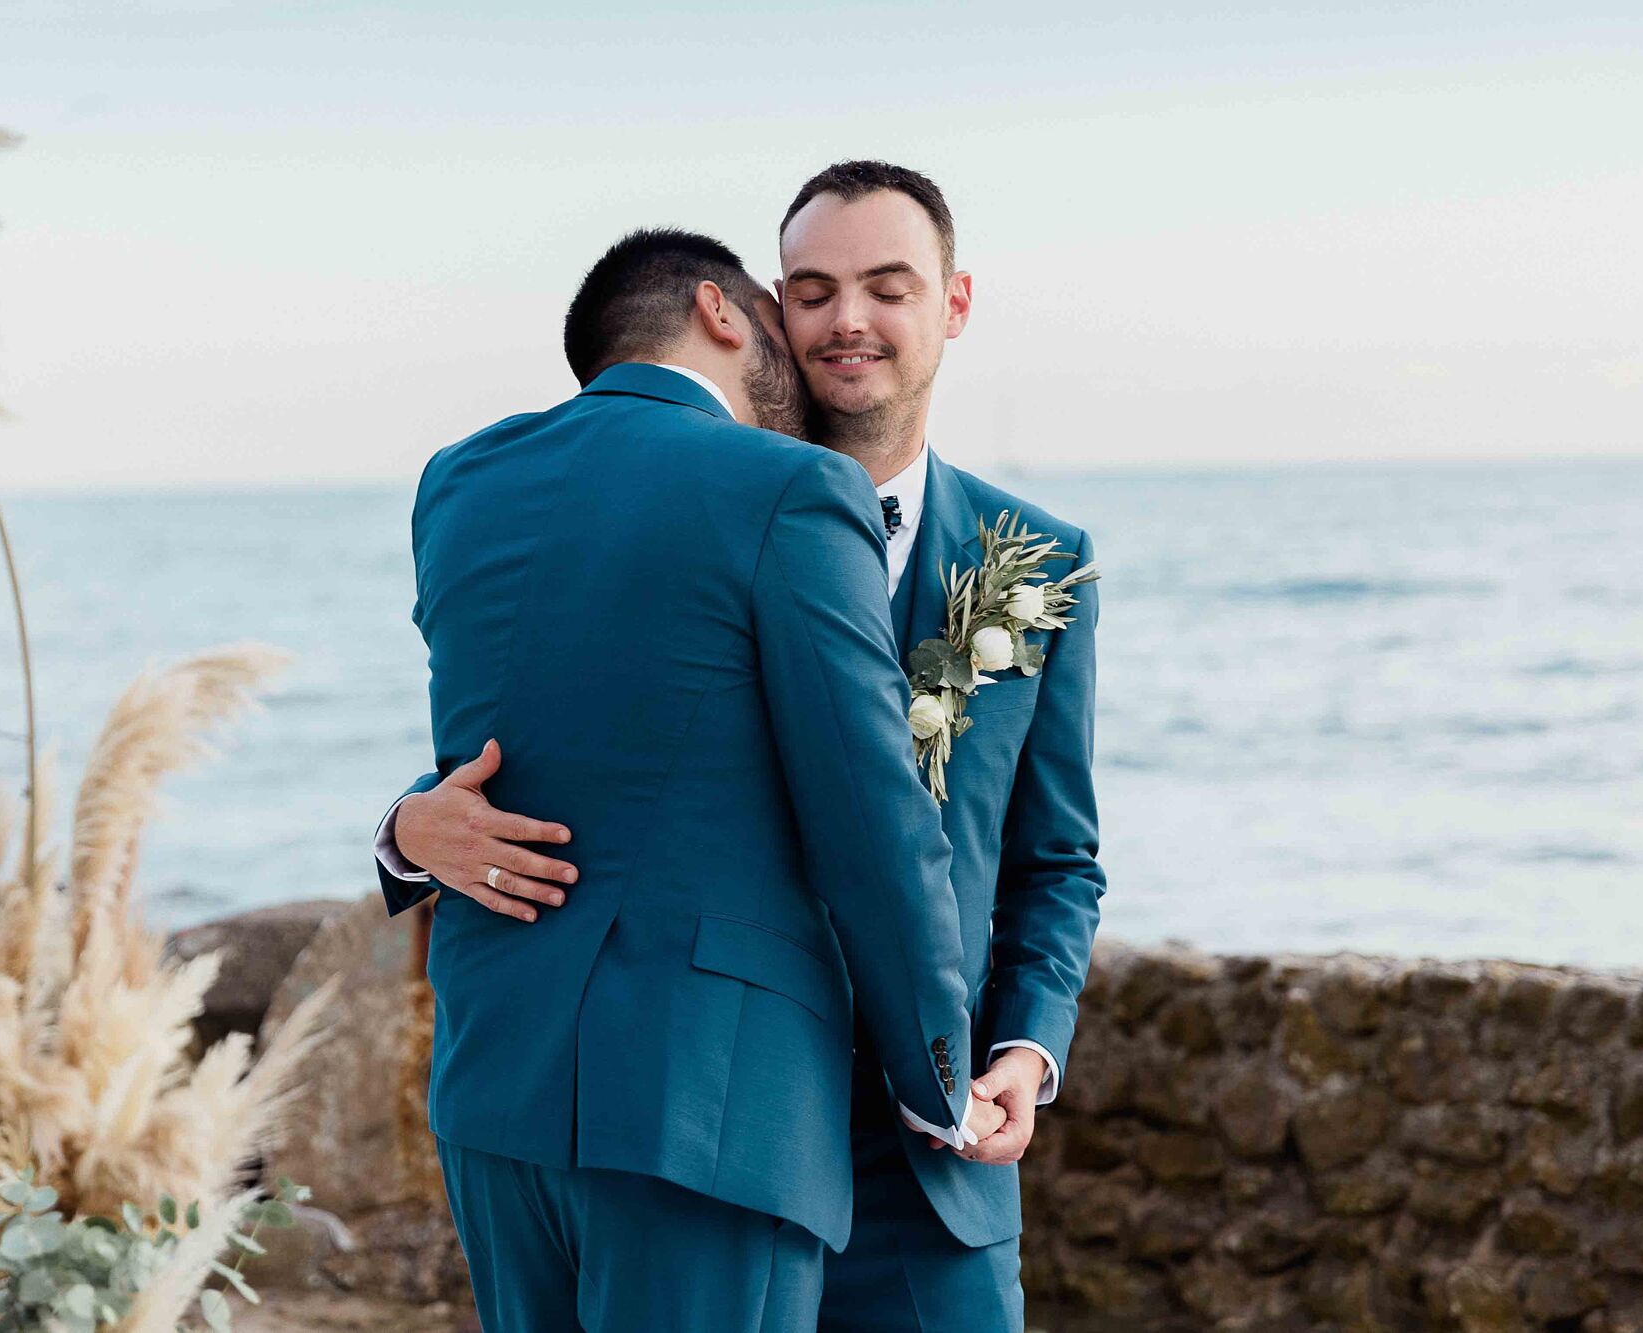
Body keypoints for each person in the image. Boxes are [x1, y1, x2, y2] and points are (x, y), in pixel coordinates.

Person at [389, 164, 1106, 1333]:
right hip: (714, 1110)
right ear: (762, 309)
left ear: (952, 302)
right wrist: (412, 820)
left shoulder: (1041, 556)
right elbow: (572, 723)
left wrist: (1022, 1049)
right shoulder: (707, 487)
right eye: (812, 291)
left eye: (887, 285)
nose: (845, 321)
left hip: (923, 1162)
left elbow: (1055, 857)